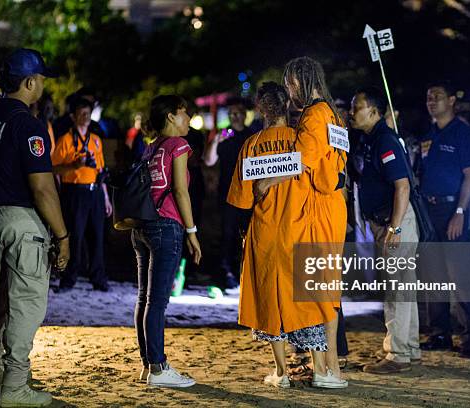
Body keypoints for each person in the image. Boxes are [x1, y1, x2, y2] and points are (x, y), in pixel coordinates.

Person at [0, 48, 69, 406]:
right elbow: (42, 188)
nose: (42, 84)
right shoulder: (29, 124)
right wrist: (62, 236)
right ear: (29, 82)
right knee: (26, 302)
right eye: (41, 79)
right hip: (21, 220)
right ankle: (14, 385)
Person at [227, 82, 339, 388]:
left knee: (269, 301)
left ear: (261, 108)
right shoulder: (303, 141)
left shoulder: (251, 145)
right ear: (287, 104)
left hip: (265, 234)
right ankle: (319, 369)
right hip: (302, 230)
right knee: (308, 299)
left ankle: (281, 372)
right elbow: (327, 182)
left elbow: (241, 201)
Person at [255, 57, 350, 387]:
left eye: (291, 82)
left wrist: (267, 182)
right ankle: (326, 367)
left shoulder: (313, 116)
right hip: (332, 206)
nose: (289, 89)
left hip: (318, 211)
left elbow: (301, 159)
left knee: (322, 291)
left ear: (304, 81)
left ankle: (328, 370)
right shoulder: (333, 113)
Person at [349, 87, 421, 374]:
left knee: (397, 289)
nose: (351, 113)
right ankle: (410, 349)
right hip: (388, 221)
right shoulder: (370, 139)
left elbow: (402, 186)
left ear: (375, 112)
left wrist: (395, 227)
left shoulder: (384, 140)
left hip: (395, 221)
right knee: (405, 287)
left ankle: (397, 355)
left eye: (357, 107)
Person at [132, 95, 201, 387]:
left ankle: (149, 365)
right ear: (171, 117)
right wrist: (192, 232)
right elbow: (181, 191)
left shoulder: (151, 148)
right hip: (166, 225)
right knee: (157, 301)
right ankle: (159, 368)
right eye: (184, 113)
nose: (188, 119)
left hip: (143, 226)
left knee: (144, 298)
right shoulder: (178, 145)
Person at [418, 80, 470, 357]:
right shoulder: (429, 134)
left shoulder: (463, 134)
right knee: (433, 275)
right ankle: (440, 333)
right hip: (429, 211)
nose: (432, 101)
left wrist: (460, 212)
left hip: (453, 210)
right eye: (429, 97)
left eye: (438, 96)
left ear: (451, 101)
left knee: (461, 275)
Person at [51, 97, 112, 292]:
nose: (86, 117)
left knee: (97, 238)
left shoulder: (95, 140)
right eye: (82, 114)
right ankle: (68, 279)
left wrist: (106, 198)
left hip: (94, 192)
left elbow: (101, 172)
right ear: (73, 116)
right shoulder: (66, 140)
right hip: (74, 193)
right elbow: (54, 169)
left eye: (88, 113)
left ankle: (98, 279)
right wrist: (74, 166)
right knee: (75, 237)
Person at [203, 97, 253, 290]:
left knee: (247, 236)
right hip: (227, 194)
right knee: (227, 234)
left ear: (245, 115)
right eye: (231, 113)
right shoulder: (225, 138)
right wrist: (215, 141)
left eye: (238, 112)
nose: (234, 117)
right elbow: (208, 161)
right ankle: (227, 273)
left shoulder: (253, 136)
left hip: (249, 194)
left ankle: (244, 272)